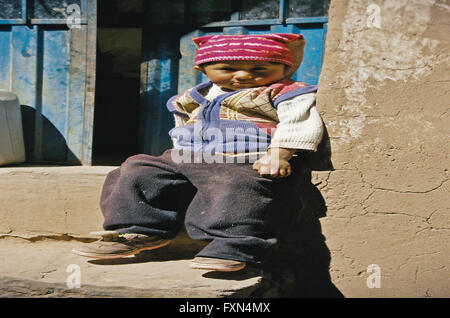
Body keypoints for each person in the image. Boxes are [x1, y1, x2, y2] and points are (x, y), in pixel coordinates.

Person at [72, 33, 325, 272]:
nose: (244, 75)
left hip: (245, 157)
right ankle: (139, 229)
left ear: (284, 68)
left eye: (260, 69)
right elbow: (183, 124)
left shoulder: (286, 92)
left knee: (238, 184)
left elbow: (299, 122)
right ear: (203, 70)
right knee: (137, 166)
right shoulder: (197, 95)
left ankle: (234, 246)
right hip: (190, 155)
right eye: (226, 69)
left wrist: (279, 154)